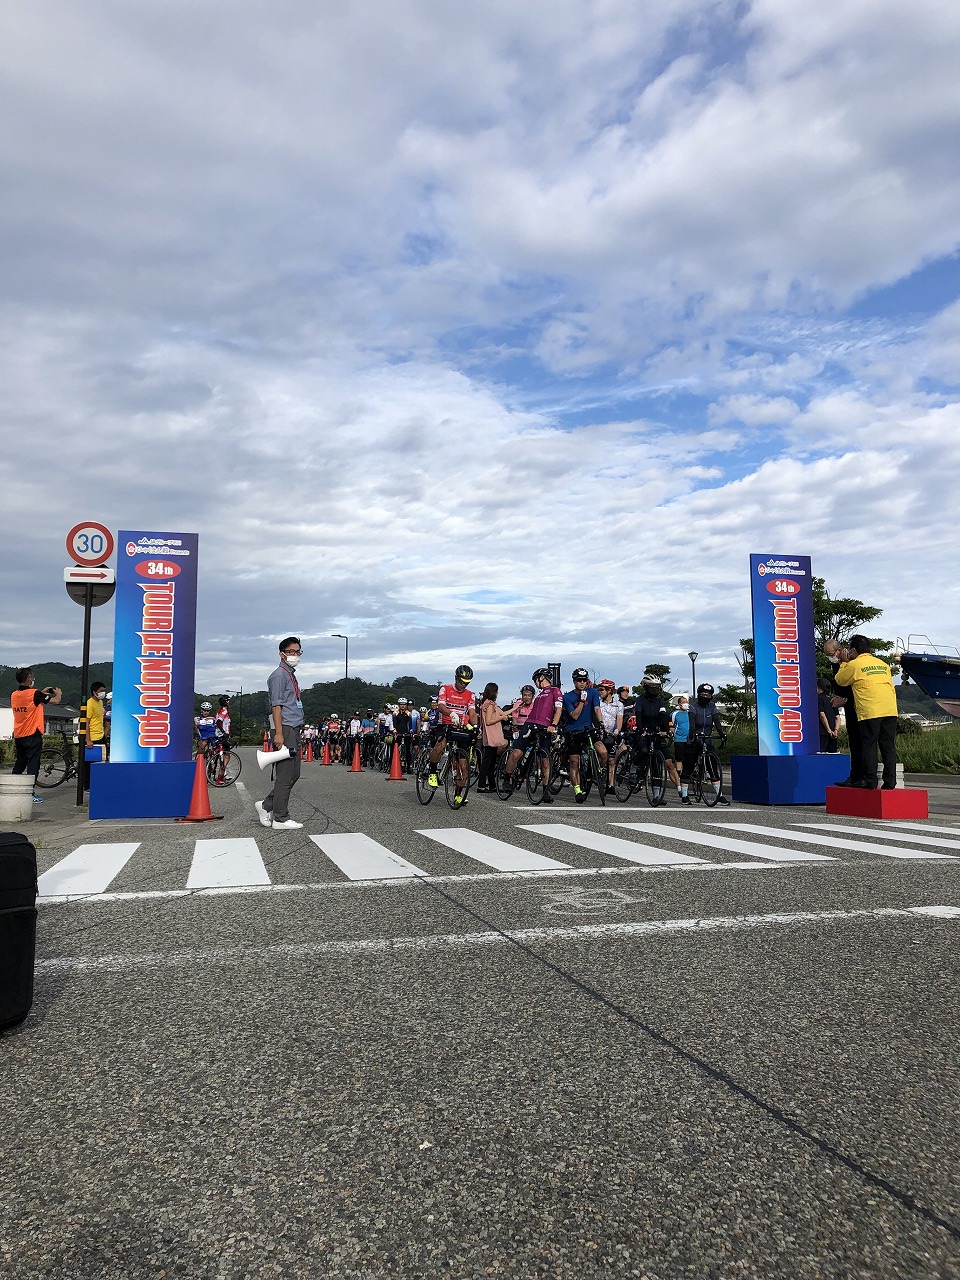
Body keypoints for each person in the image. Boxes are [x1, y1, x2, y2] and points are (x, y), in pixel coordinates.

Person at [833, 635, 898, 789]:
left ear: (854, 650)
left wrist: (843, 663)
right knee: (888, 746)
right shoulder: (883, 664)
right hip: (890, 710)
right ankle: (890, 781)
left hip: (870, 710)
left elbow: (840, 680)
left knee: (869, 745)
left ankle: (870, 780)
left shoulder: (854, 665)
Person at [255, 636, 306, 830]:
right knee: (285, 775)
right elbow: (276, 706)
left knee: (294, 773)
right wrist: (278, 733)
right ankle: (280, 818)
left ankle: (267, 805)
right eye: (292, 652)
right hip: (285, 727)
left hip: (294, 726)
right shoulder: (279, 675)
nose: (295, 655)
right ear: (282, 654)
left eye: (298, 652)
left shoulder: (290, 675)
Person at [502, 669, 563, 801]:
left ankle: (545, 791)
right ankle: (507, 777)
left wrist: (554, 724)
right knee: (517, 753)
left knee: (545, 761)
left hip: (545, 727)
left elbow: (558, 709)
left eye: (535, 680)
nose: (535, 684)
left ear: (541, 677)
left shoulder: (555, 691)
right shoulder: (540, 694)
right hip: (529, 724)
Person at [428, 664, 477, 805]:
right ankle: (432, 772)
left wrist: (475, 726)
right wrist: (451, 713)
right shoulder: (445, 688)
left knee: (463, 764)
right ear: (456, 678)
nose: (464, 685)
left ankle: (458, 795)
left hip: (460, 727)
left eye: (467, 682)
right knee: (440, 746)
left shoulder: (470, 695)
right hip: (445, 724)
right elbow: (441, 706)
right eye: (462, 681)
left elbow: (472, 713)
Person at [11, 668, 61, 802]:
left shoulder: (14, 694)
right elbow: (55, 701)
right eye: (32, 677)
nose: (33, 680)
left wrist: (42, 692)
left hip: (19, 733)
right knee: (33, 764)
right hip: (33, 733)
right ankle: (30, 793)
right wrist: (58, 694)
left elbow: (31, 701)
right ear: (27, 679)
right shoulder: (34, 694)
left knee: (20, 763)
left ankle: (11, 790)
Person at [631, 674, 683, 799]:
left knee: (658, 764)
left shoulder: (660, 702)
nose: (655, 689)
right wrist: (640, 729)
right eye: (652, 686)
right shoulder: (640, 700)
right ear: (646, 687)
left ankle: (657, 796)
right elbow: (638, 715)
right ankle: (633, 769)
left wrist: (669, 729)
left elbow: (664, 716)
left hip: (656, 732)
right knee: (643, 750)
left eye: (657, 687)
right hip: (643, 731)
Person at [680, 682, 730, 804]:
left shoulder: (712, 706)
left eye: (708, 695)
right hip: (694, 739)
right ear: (698, 694)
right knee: (689, 765)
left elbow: (716, 721)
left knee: (712, 767)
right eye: (703, 694)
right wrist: (692, 733)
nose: (706, 696)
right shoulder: (693, 706)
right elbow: (691, 721)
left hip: (707, 739)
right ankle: (685, 795)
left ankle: (719, 795)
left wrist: (722, 733)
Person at [823, 638, 864, 786]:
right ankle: (854, 776)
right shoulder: (836, 664)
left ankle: (864, 777)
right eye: (827, 654)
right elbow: (838, 683)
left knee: (863, 744)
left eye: (831, 654)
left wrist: (845, 699)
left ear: (840, 650)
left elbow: (856, 687)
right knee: (853, 743)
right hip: (849, 708)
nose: (830, 657)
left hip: (860, 708)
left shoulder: (853, 663)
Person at [562, 667, 606, 803]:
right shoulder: (568, 697)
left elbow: (597, 708)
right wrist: (581, 701)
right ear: (574, 681)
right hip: (572, 730)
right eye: (579, 680)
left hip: (588, 729)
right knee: (575, 762)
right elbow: (574, 716)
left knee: (603, 752)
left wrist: (600, 723)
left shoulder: (592, 692)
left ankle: (595, 773)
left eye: (584, 680)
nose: (582, 683)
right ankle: (577, 790)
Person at [477, 682, 510, 792]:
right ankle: (481, 785)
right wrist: (501, 718)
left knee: (489, 761)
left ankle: (491, 785)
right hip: (491, 735)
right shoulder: (490, 704)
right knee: (487, 762)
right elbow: (489, 721)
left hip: (488, 736)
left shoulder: (486, 703)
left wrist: (516, 708)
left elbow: (503, 713)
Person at [596, 679, 623, 786]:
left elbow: (619, 718)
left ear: (609, 690)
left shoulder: (619, 704)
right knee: (602, 756)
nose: (600, 692)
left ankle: (611, 784)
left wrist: (617, 730)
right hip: (600, 733)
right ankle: (599, 770)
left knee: (612, 760)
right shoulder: (597, 702)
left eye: (602, 689)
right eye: (599, 689)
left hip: (612, 734)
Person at [82, 681, 108, 792]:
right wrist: (88, 739)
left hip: (100, 735)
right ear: (94, 692)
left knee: (101, 761)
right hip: (92, 737)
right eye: (100, 691)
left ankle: (98, 783)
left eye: (103, 691)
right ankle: (87, 786)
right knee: (89, 763)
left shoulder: (100, 702)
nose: (103, 693)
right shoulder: (90, 703)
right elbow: (86, 723)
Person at [670, 693, 692, 803]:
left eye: (687, 702)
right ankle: (679, 776)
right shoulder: (675, 714)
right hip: (679, 739)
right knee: (679, 759)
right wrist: (674, 733)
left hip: (689, 740)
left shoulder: (690, 713)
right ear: (679, 703)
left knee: (689, 758)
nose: (686, 704)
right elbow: (671, 726)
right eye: (684, 702)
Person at [817, 677, 839, 753]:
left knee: (822, 756)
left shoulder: (819, 699)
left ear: (820, 688)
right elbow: (837, 717)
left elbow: (822, 714)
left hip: (822, 732)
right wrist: (835, 730)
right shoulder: (832, 699)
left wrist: (828, 730)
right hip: (834, 733)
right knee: (832, 755)